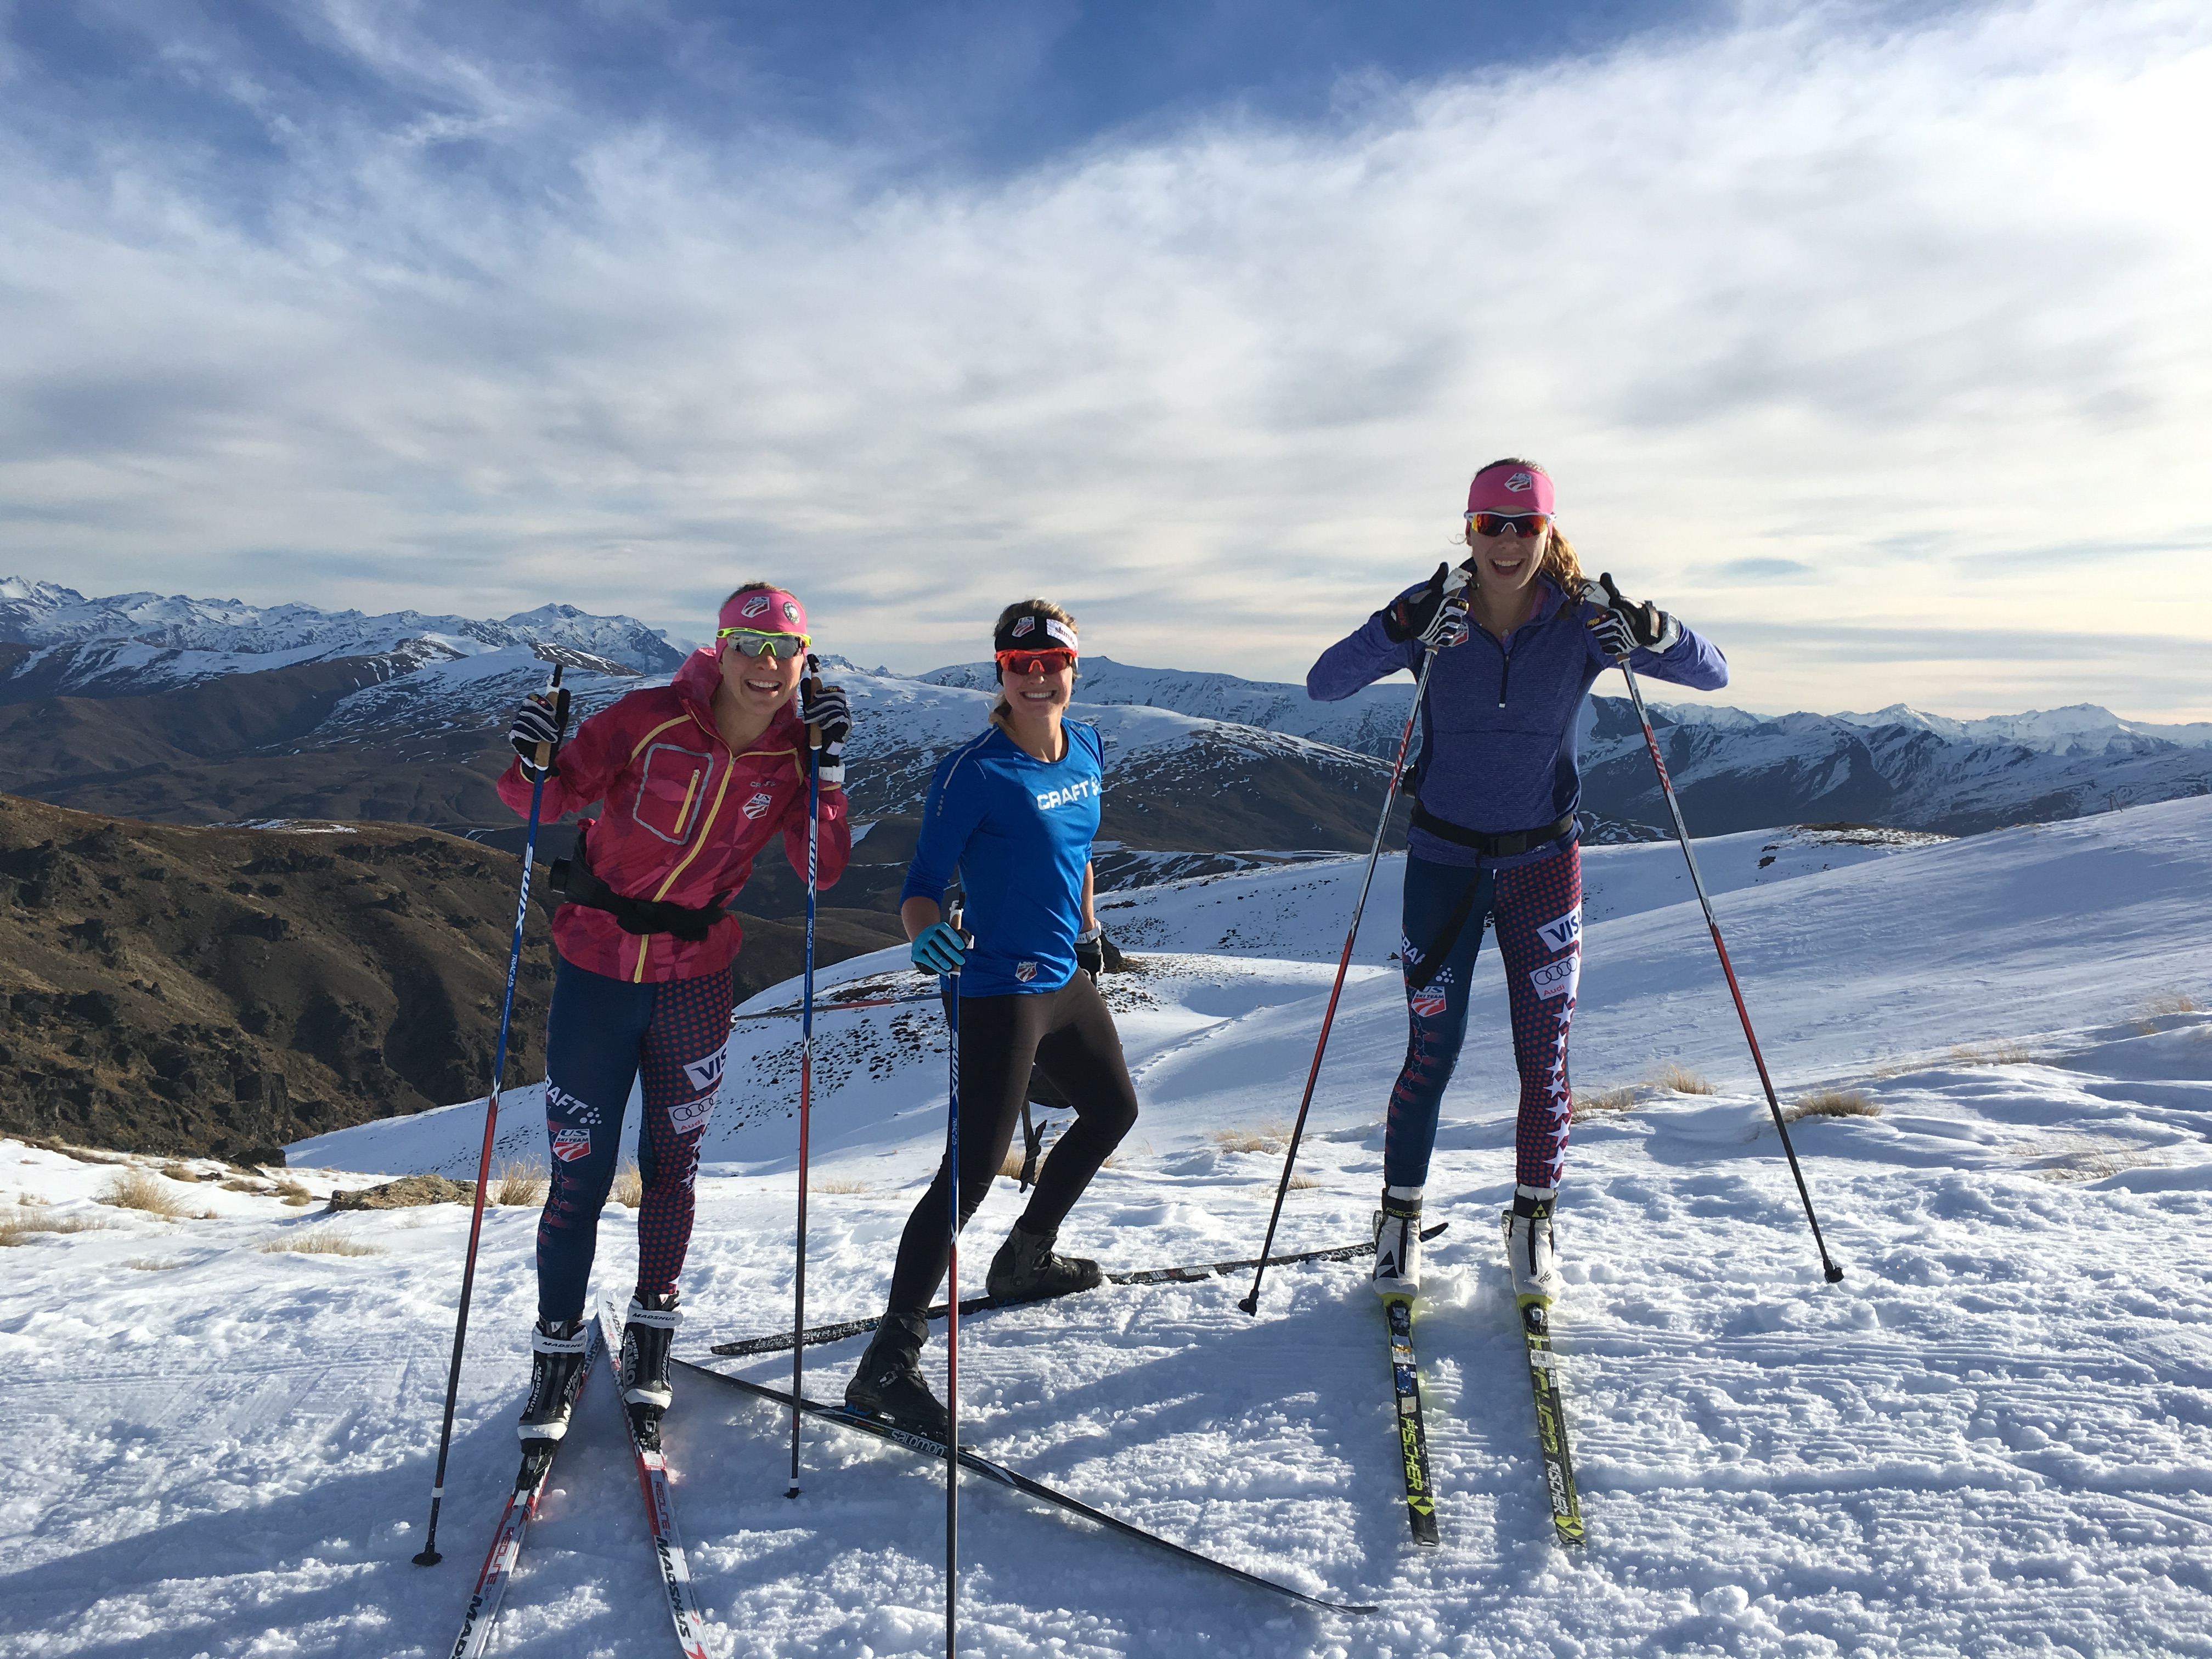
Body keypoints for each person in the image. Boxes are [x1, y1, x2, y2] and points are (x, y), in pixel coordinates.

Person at [1305, 458, 1728, 1306]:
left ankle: (1532, 1223)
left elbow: (1712, 672)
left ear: (1547, 532)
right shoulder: (1436, 621)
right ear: (1467, 530)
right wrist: (1397, 625)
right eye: (1490, 525)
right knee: (1432, 1052)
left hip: (1543, 865)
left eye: (1523, 526)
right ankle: (1398, 1227)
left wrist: (1650, 629)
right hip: (1444, 864)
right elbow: (1324, 684)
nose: (1505, 542)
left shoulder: (1581, 623)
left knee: (1546, 1055)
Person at [497, 583, 854, 1440]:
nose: (765, 668)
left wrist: (830, 769)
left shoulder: (795, 750)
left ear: (805, 661)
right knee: (579, 1170)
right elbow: (543, 802)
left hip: (696, 977)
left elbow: (822, 871)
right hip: (598, 967)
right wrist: (531, 760)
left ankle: (652, 1331)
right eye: (748, 646)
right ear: (720, 647)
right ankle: (557, 1348)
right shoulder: (649, 717)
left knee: (674, 1164)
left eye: (784, 652)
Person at [843, 599, 1137, 1437]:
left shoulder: (1087, 747)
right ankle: (886, 1365)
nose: (1038, 676)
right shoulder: (974, 771)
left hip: (1063, 976)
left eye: (1052, 662)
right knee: (967, 1177)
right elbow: (920, 887)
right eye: (1021, 664)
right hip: (995, 989)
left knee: (1113, 1110)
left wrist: (1090, 933)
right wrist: (926, 936)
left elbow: (1077, 853)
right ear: (1000, 673)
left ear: (1075, 665)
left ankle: (1024, 1259)